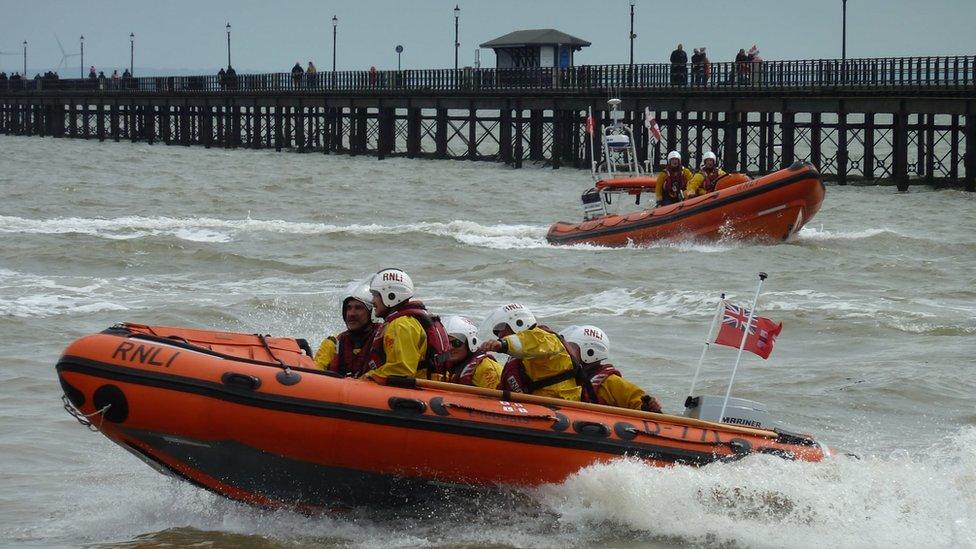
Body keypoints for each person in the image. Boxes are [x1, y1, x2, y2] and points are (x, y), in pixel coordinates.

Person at [479, 303, 585, 402]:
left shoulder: (546, 339)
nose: (500, 334)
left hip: (561, 402)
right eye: (497, 331)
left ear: (518, 322)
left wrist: (503, 344)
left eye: (502, 328)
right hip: (536, 404)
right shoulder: (520, 355)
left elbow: (529, 342)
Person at [363, 268, 451, 381]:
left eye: (375, 295)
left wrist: (367, 378)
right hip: (433, 386)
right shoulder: (411, 320)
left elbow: (400, 371)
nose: (372, 301)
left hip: (419, 391)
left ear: (391, 295)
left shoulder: (401, 325)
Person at [560, 325, 662, 413]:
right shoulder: (568, 377)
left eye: (572, 348)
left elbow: (638, 402)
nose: (568, 352)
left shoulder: (612, 383)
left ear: (589, 352)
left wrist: (650, 406)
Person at [313, 280, 381, 377]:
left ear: (372, 312)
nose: (351, 314)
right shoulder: (332, 343)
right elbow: (315, 370)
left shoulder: (383, 337)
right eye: (348, 308)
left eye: (358, 308)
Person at [442, 315, 503, 389]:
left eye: (456, 343)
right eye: (445, 342)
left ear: (471, 343)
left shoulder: (487, 369)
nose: (450, 348)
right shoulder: (442, 362)